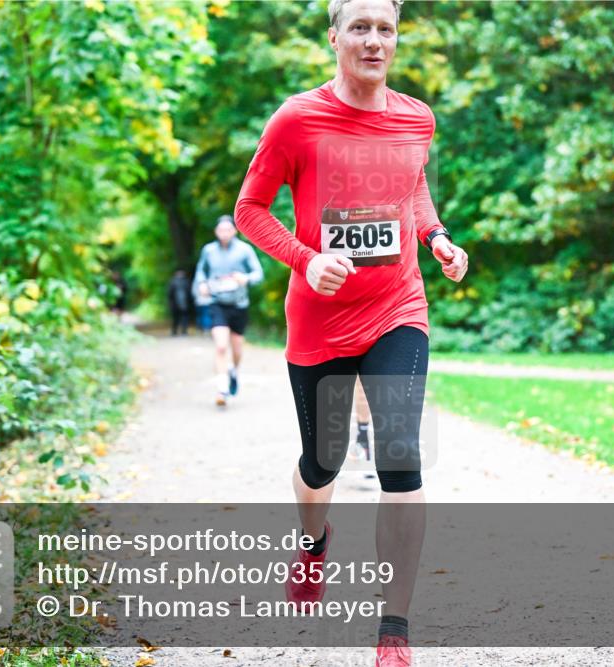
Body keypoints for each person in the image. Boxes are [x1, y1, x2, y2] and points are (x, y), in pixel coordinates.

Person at [233, 0, 468, 664]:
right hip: (321, 318)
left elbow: (413, 188)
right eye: (359, 28)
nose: (373, 40)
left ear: (396, 38)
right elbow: (249, 209)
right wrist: (306, 259)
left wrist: (437, 237)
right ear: (334, 37)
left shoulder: (417, 117)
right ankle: (313, 543)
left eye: (385, 29)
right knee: (323, 461)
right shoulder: (297, 119)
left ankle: (394, 629)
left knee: (400, 453)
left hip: (398, 307)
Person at [193, 215, 264, 406]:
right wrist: (202, 284)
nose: (224, 233)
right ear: (216, 232)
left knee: (237, 348)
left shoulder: (245, 250)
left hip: (239, 304)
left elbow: (258, 274)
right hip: (217, 303)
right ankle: (222, 388)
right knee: (221, 346)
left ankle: (233, 370)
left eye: (228, 229)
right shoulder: (209, 250)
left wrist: (245, 278)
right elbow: (200, 271)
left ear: (235, 231)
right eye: (220, 230)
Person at [167, 268, 192, 336]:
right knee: (183, 318)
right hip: (184, 304)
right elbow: (190, 294)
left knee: (176, 318)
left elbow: (169, 294)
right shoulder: (186, 282)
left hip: (176, 305)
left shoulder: (172, 282)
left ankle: (175, 331)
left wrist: (170, 304)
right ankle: (183, 331)